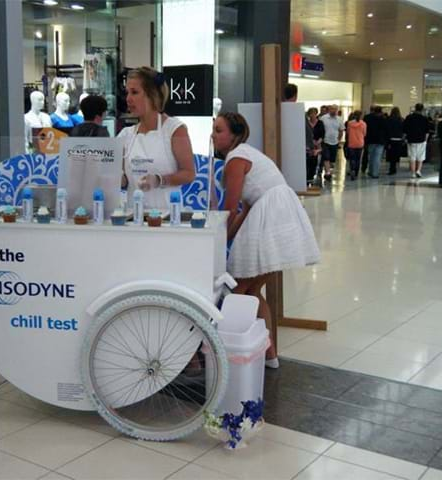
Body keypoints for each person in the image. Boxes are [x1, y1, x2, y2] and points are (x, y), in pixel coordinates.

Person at [212, 112, 320, 369]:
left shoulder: (237, 158)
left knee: (238, 291)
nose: (213, 135)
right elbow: (244, 210)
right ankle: (269, 355)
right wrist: (225, 240)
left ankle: (223, 353)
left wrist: (217, 243)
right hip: (278, 214)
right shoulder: (249, 153)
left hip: (270, 217)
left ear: (235, 134)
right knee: (252, 291)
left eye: (219, 130)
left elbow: (230, 208)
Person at [118, 66, 195, 210]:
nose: (128, 99)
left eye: (134, 92)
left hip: (168, 216)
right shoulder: (125, 135)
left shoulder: (175, 130)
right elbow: (123, 179)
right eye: (127, 92)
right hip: (134, 216)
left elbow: (189, 173)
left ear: (152, 95)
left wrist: (160, 180)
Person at [403, 103, 430, 178]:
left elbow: (404, 129)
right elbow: (427, 131)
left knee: (412, 157)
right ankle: (418, 170)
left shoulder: (409, 117)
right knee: (420, 156)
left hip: (411, 139)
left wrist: (405, 138)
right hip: (421, 139)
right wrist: (426, 140)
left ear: (415, 108)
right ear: (422, 109)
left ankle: (413, 173)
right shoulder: (425, 119)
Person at [320, 104, 344, 182]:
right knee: (326, 157)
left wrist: (339, 140)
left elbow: (341, 130)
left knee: (332, 160)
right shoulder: (323, 118)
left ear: (337, 110)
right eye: (332, 109)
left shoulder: (340, 119)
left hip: (335, 142)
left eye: (335, 109)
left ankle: (328, 169)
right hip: (325, 141)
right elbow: (319, 129)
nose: (333, 111)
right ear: (329, 110)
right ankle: (328, 173)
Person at [363, 106, 387, 178]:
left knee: (371, 156)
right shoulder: (383, 119)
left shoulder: (367, 118)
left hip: (370, 140)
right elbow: (386, 130)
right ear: (380, 111)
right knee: (377, 157)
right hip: (380, 141)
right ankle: (375, 173)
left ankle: (370, 171)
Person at [346, 110, 366, 180]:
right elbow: (364, 134)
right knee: (358, 158)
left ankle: (352, 170)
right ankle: (356, 172)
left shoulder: (349, 123)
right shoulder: (363, 124)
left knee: (352, 158)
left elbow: (348, 132)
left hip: (351, 143)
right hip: (360, 143)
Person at [305, 107, 324, 185]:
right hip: (308, 145)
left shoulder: (320, 123)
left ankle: (312, 176)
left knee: (315, 161)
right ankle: (308, 178)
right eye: (311, 113)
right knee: (308, 161)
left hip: (317, 144)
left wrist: (318, 141)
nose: (313, 115)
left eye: (314, 113)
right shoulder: (306, 123)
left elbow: (322, 134)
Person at [385, 107, 405, 175]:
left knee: (391, 155)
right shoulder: (401, 120)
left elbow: (387, 130)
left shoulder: (389, 119)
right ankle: (394, 168)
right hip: (399, 139)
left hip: (391, 139)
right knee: (396, 155)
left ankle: (392, 169)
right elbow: (403, 130)